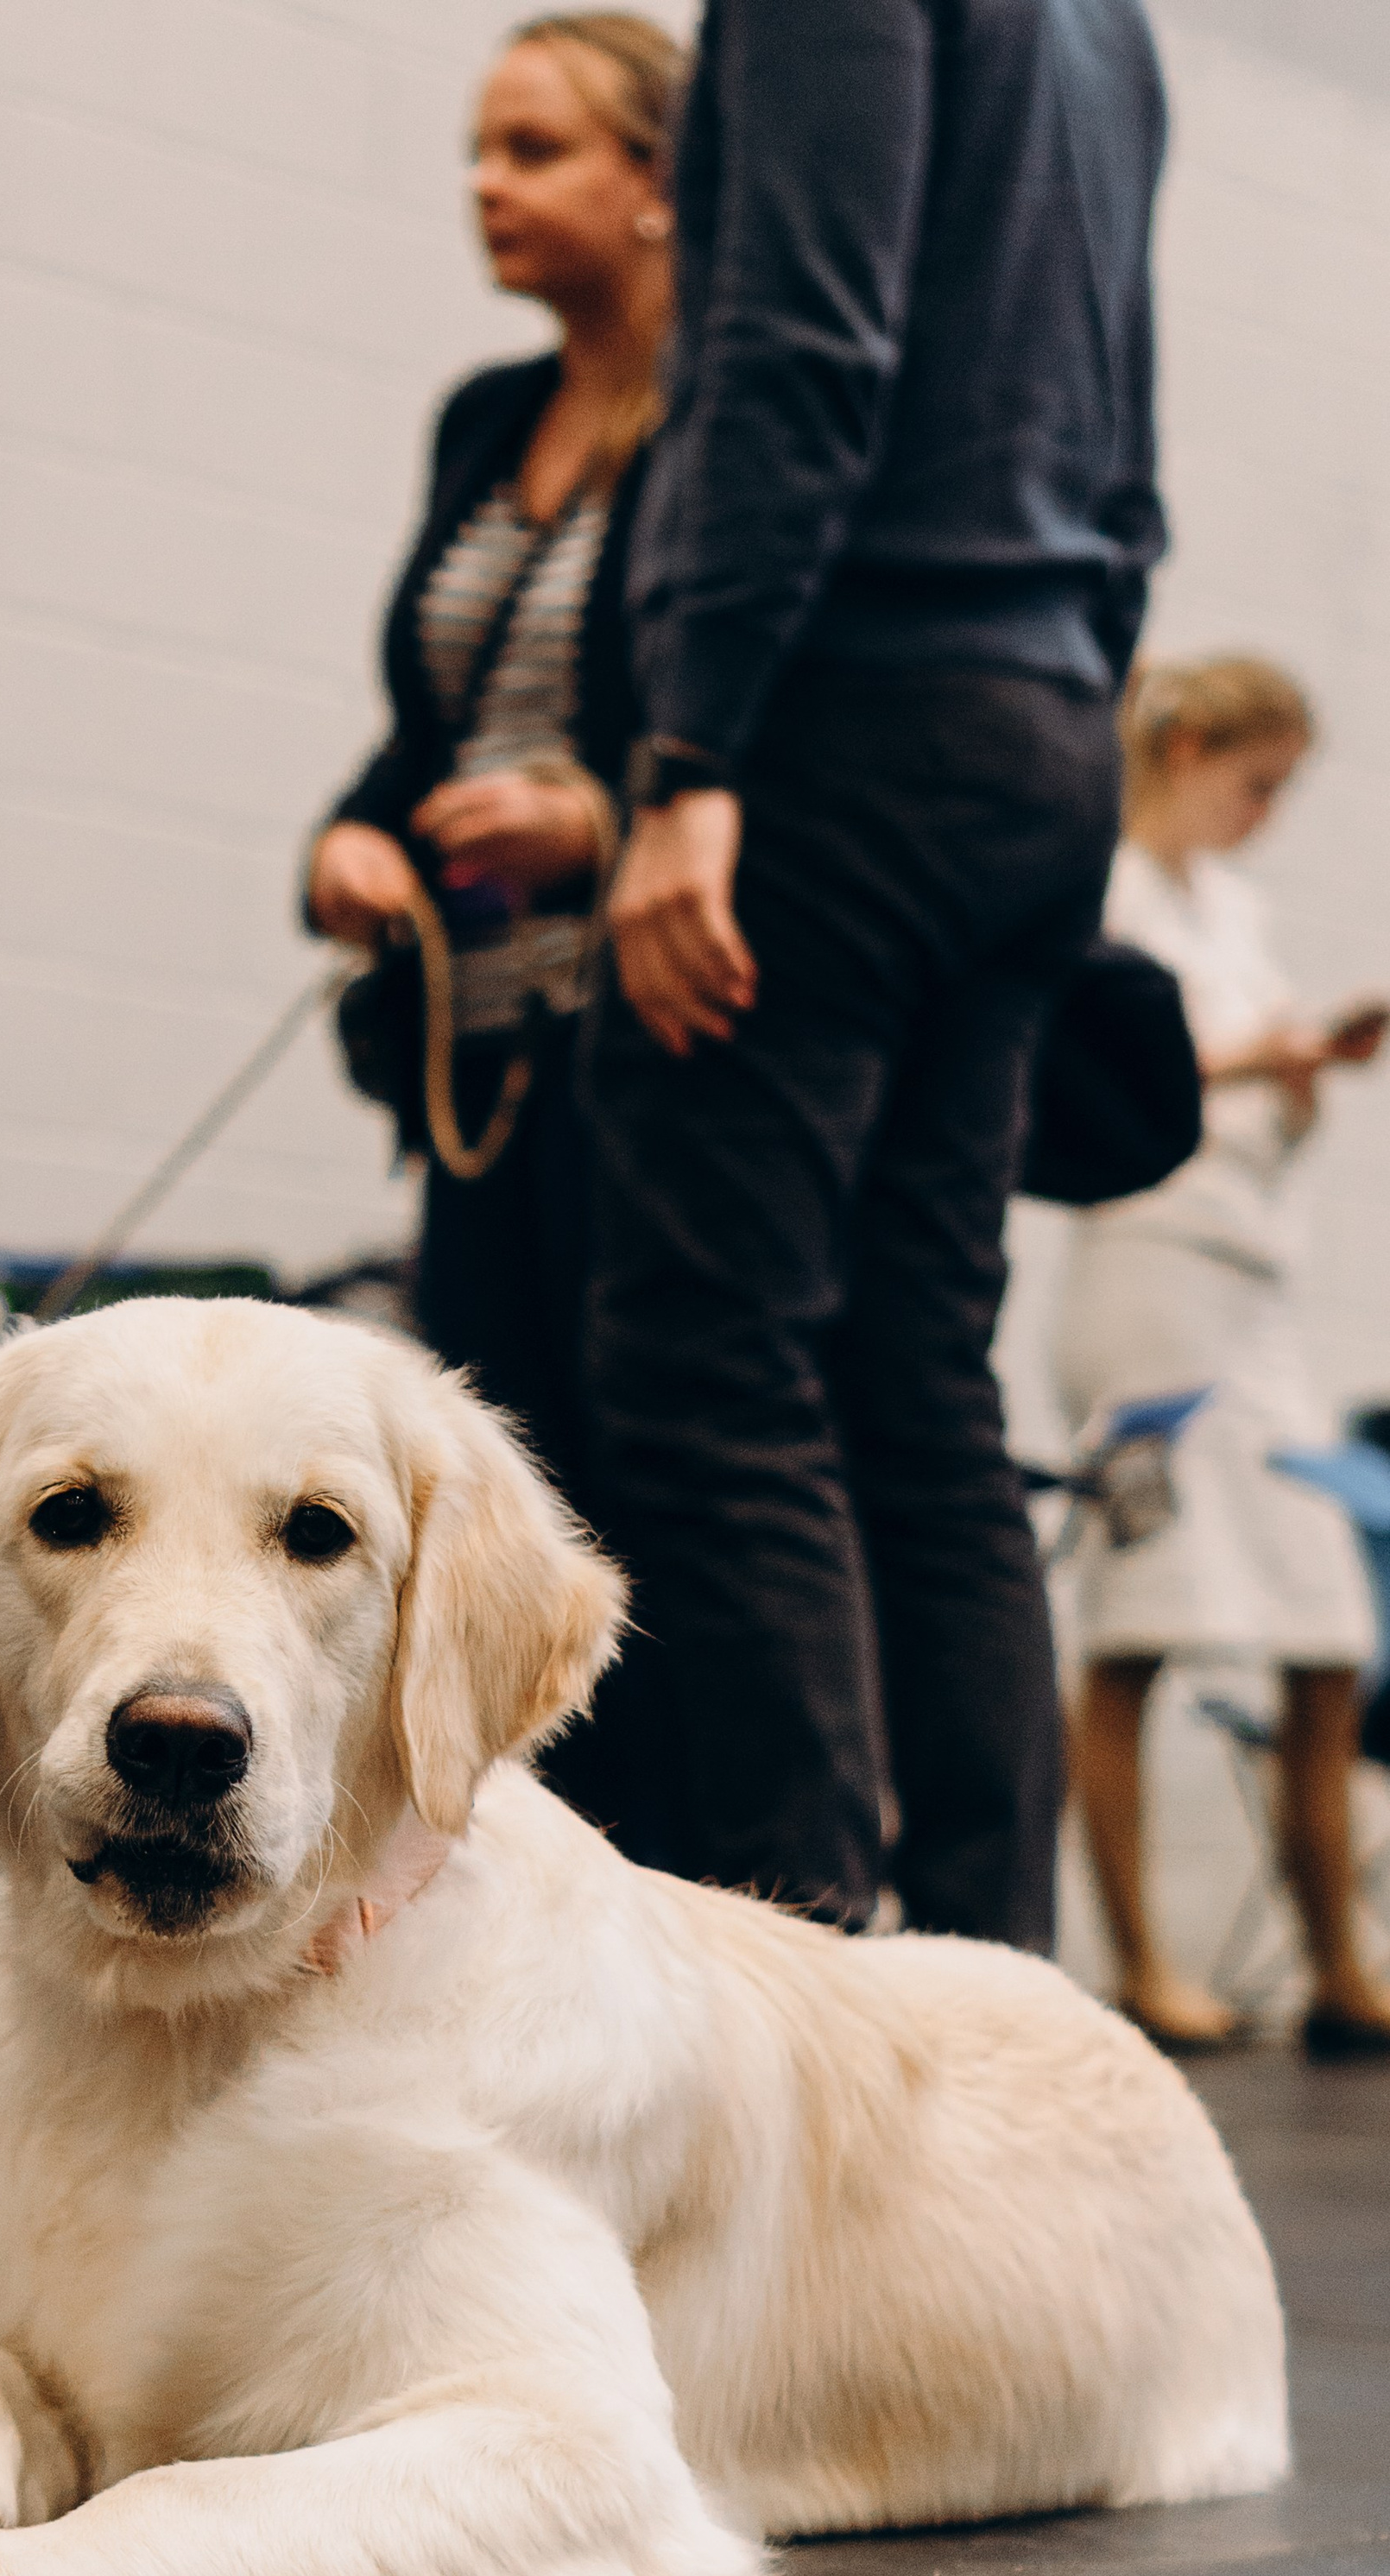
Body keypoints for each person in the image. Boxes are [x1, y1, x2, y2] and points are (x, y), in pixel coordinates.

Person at [582, 0, 1167, 1945]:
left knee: (709, 1360)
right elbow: (1130, 453)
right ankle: (989, 1983)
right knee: (917, 1379)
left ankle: (811, 1976)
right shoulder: (1105, 25)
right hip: (1037, 722)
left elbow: (793, 350)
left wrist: (689, 755)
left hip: (844, 713)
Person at [306, 13, 686, 1514]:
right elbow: (434, 720)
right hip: (478, 1035)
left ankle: (651, 1764)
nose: (486, 184)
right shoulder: (484, 416)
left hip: (650, 1035)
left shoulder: (730, 423)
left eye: (534, 150)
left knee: (644, 1466)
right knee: (487, 1455)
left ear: (657, 179)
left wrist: (598, 830)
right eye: (478, 151)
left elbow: (766, 727)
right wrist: (348, 839)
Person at [1055, 656, 1390, 2057]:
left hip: (1258, 1298)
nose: (1264, 814)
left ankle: (1340, 1967)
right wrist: (1263, 1057)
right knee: (1141, 1620)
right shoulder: (1102, 888)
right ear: (1184, 748)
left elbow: (1243, 1085)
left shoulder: (1234, 916)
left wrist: (1298, 1079)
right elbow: (1101, 1082)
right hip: (1151, 1286)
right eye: (1255, 783)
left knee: (1329, 1634)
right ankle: (1144, 1964)